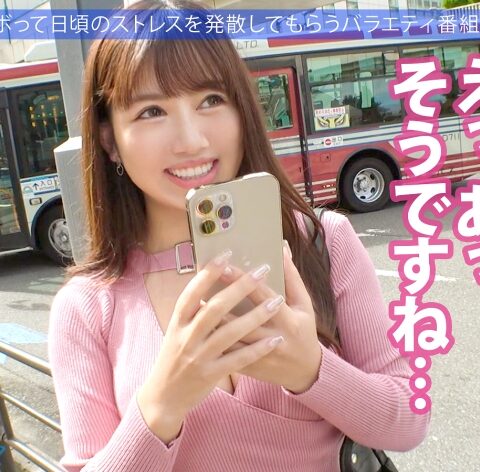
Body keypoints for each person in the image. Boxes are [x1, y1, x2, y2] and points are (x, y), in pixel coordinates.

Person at [48, 1, 430, 471]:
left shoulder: (323, 242)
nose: (191, 140)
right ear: (110, 141)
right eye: (151, 111)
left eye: (210, 100)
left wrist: (310, 369)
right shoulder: (87, 308)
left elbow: (408, 419)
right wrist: (163, 403)